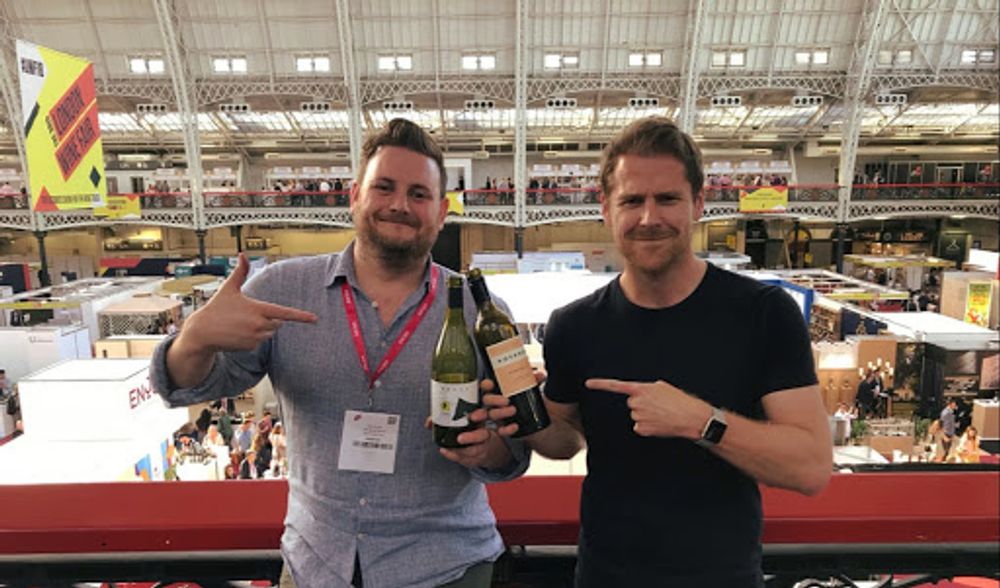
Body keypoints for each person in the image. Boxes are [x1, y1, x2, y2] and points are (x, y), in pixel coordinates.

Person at [150, 118, 528, 588]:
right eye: (384, 187)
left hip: (446, 567)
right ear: (354, 197)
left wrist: (489, 450)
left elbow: (516, 450)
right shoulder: (282, 290)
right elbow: (186, 386)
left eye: (418, 194)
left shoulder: (483, 312)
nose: (399, 205)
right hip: (316, 565)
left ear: (441, 212)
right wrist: (194, 339)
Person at [486, 117, 831, 587]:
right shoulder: (574, 325)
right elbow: (565, 438)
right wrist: (522, 413)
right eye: (632, 201)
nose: (649, 219)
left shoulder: (763, 314)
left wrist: (701, 422)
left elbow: (811, 467)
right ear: (606, 210)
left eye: (667, 199)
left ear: (699, 204)